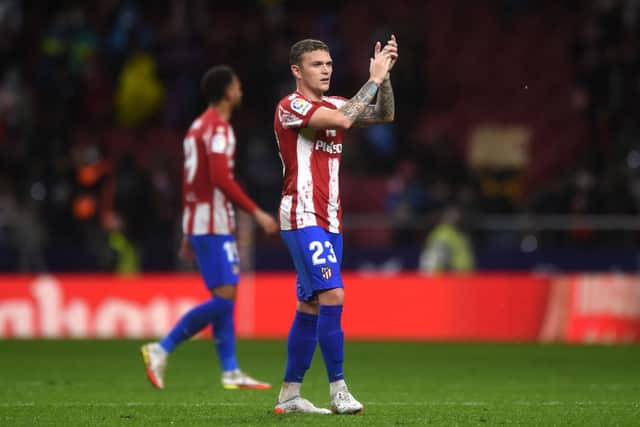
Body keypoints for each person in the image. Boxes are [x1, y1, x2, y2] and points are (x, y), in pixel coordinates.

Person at [272, 36, 398, 414]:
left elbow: (383, 114)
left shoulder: (337, 102)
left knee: (310, 304)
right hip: (301, 215)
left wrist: (385, 76)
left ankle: (289, 396)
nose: (326, 70)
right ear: (297, 70)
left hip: (331, 220)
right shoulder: (289, 106)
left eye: (328, 63)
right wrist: (372, 79)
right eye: (317, 64)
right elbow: (345, 119)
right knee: (333, 295)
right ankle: (339, 390)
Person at [141, 65, 278, 391]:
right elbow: (219, 178)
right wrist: (257, 212)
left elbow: (192, 181)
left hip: (199, 221)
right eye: (238, 87)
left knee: (224, 294)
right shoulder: (218, 129)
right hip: (213, 222)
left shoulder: (195, 128)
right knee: (225, 298)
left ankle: (230, 371)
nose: (241, 92)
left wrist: (189, 230)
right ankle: (161, 348)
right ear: (228, 92)